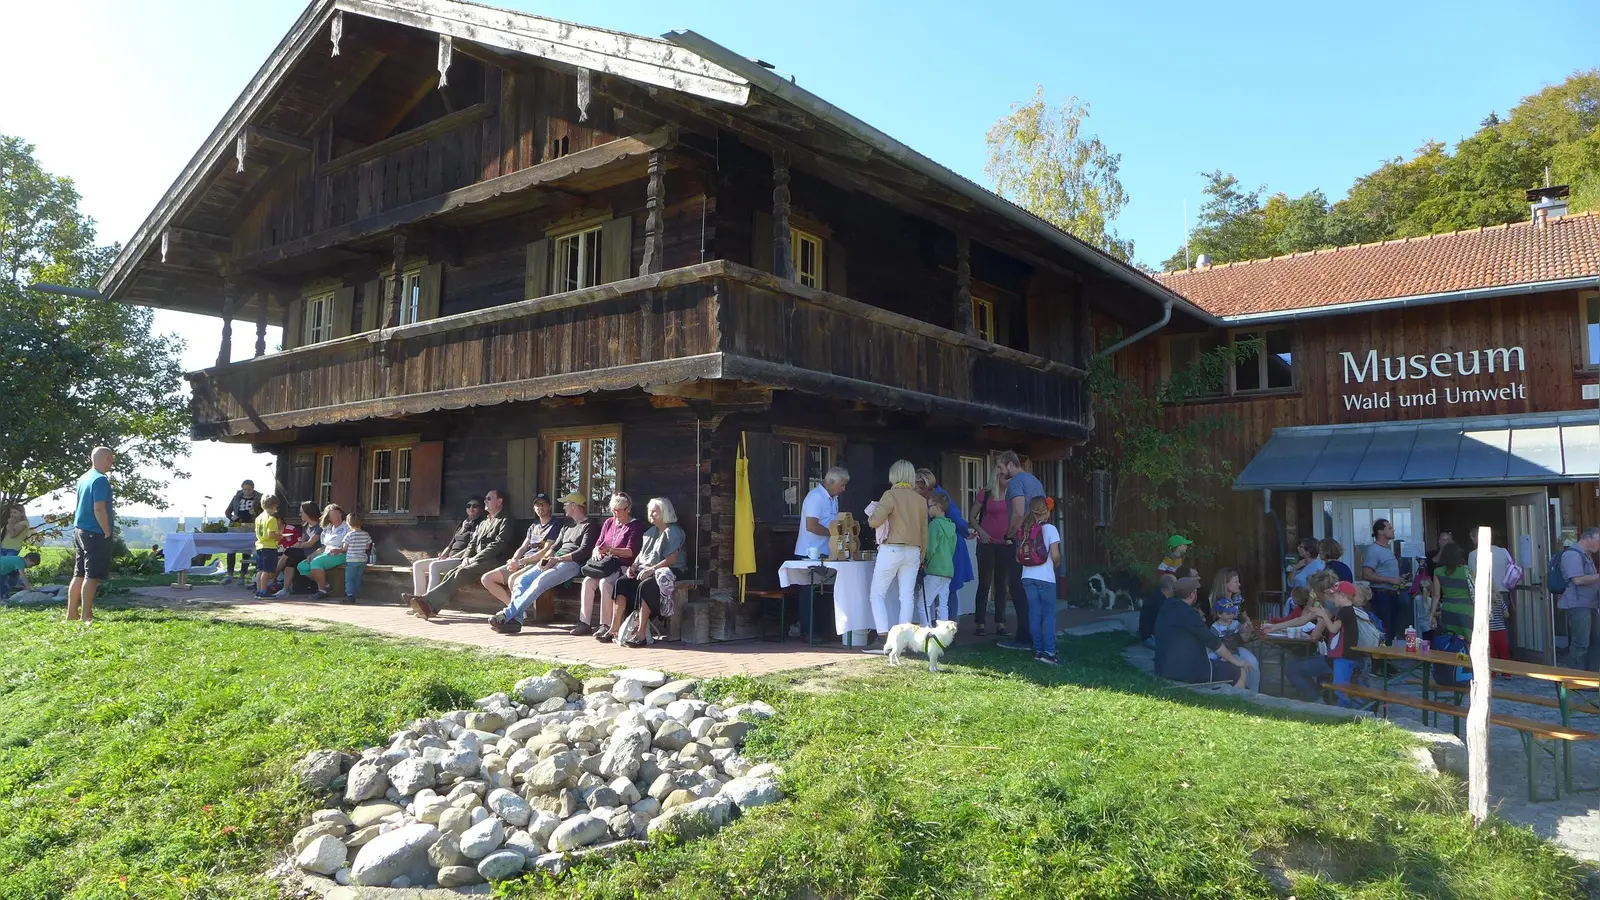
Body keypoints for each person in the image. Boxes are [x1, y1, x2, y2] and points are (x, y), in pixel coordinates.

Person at [491, 493, 600, 634]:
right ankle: (516, 621)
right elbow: (554, 547)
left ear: (574, 506)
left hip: (572, 564)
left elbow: (583, 552)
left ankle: (507, 614)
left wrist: (557, 559)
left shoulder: (589, 525)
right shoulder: (568, 526)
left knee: (540, 581)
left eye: (566, 504)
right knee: (521, 580)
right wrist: (546, 559)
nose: (563, 507)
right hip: (555, 560)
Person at [407, 489, 516, 619]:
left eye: (489, 498)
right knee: (453, 572)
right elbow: (473, 543)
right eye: (485, 498)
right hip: (477, 560)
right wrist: (467, 557)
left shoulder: (505, 520)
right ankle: (431, 607)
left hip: (494, 561)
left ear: (499, 501)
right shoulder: (484, 522)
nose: (485, 501)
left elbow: (498, 544)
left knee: (461, 572)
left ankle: (427, 602)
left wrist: (475, 558)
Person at [864, 459, 928, 651]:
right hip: (914, 551)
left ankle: (883, 637)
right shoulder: (920, 500)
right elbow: (925, 530)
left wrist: (871, 513)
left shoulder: (890, 495)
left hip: (891, 549)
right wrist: (922, 555)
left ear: (894, 475)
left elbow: (875, 521)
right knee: (906, 597)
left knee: (877, 594)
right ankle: (903, 640)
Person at [606, 497, 685, 648]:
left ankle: (641, 633)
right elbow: (641, 554)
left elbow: (672, 558)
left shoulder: (673, 531)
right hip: (647, 569)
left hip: (669, 570)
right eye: (650, 511)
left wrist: (651, 570)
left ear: (665, 512)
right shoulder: (650, 532)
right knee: (622, 582)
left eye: (655, 511)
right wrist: (633, 567)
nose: (651, 514)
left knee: (646, 586)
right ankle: (614, 628)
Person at [1154, 576, 1252, 689]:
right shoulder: (1189, 614)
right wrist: (1237, 661)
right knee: (1239, 671)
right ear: (1192, 594)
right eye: (1196, 591)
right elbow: (1213, 642)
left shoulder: (1165, 607)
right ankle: (1236, 702)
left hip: (1163, 667)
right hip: (1187, 671)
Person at [995, 450, 1044, 650]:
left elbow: (1018, 511)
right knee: (1032, 591)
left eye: (1000, 467)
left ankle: (1024, 636)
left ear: (1009, 464)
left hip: (1021, 543)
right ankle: (1036, 635)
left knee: (1017, 588)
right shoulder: (1035, 481)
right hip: (1038, 542)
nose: (999, 471)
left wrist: (1009, 534)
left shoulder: (1016, 482)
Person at [1285, 580, 1362, 703]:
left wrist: (1323, 615)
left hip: (1344, 656)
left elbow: (1332, 628)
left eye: (1335, 595)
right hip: (1341, 656)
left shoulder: (1346, 611)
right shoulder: (1345, 611)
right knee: (1340, 687)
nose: (1333, 598)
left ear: (1343, 596)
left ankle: (1348, 712)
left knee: (1340, 688)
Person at [482, 493, 564, 605]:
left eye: (543, 504)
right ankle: (512, 607)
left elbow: (546, 551)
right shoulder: (533, 526)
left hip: (538, 562)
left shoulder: (556, 524)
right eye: (537, 505)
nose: (540, 507)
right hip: (523, 561)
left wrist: (521, 562)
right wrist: (514, 560)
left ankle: (516, 613)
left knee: (514, 579)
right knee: (487, 579)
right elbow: (523, 547)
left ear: (549, 506)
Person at [914, 468, 974, 621]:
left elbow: (956, 518)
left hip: (945, 548)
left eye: (918, 489)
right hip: (947, 546)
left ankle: (945, 628)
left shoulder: (939, 499)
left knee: (948, 592)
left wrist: (967, 532)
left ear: (925, 487)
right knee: (945, 593)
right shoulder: (935, 499)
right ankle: (945, 629)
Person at [583, 493, 645, 639]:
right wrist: (596, 550)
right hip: (604, 565)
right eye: (613, 510)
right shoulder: (609, 522)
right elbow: (599, 543)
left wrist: (610, 550)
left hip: (622, 566)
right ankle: (583, 622)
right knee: (587, 582)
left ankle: (605, 625)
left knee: (605, 583)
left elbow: (630, 552)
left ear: (628, 508)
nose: (615, 514)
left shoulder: (635, 526)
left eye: (618, 510)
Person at [69, 446, 115, 626]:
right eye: (110, 459)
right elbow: (99, 508)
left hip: (79, 530)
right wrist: (107, 530)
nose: (111, 462)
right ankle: (86, 615)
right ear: (104, 459)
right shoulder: (100, 480)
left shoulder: (84, 478)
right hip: (94, 532)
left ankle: (71, 612)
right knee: (91, 575)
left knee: (78, 573)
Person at [1017, 495, 1062, 665]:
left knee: (1034, 613)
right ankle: (1049, 652)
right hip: (1045, 578)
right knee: (1049, 614)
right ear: (1047, 511)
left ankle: (1038, 650)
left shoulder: (1026, 528)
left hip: (1027, 576)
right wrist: (1056, 564)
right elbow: (1055, 555)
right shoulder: (1050, 529)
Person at [413, 497, 484, 596]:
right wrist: (443, 555)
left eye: (475, 506)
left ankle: (429, 599)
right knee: (418, 564)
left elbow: (472, 547)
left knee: (434, 566)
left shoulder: (480, 524)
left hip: (462, 560)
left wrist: (454, 557)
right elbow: (451, 544)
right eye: (468, 506)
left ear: (480, 509)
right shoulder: (462, 524)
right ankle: (418, 598)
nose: (471, 508)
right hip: (449, 558)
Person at [970, 468, 1011, 636]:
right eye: (1006, 477)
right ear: (997, 476)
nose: (1009, 480)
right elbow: (972, 517)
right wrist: (982, 532)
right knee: (985, 583)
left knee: (1002, 584)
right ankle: (980, 623)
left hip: (1005, 544)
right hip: (986, 544)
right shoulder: (985, 494)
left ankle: (1000, 623)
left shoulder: (1012, 495)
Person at [1558, 527, 1600, 670]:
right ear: (1588, 539)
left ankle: (1593, 677)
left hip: (1590, 604)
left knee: (1596, 641)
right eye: (1598, 541)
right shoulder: (1572, 555)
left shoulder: (1586, 555)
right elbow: (1577, 580)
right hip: (1578, 605)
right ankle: (1576, 679)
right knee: (1581, 643)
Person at [1362, 519, 1408, 644]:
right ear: (1380, 531)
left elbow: (1384, 572)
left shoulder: (1387, 550)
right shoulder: (1374, 550)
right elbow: (1366, 574)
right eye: (1390, 527)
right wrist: (1391, 579)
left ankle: (1387, 660)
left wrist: (1399, 578)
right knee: (1384, 629)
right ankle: (1380, 661)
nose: (1393, 530)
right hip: (1381, 595)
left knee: (1392, 630)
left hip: (1392, 595)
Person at [296, 504, 350, 600]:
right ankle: (326, 585)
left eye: (338, 514)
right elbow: (323, 546)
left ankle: (322, 590)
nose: (336, 518)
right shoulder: (327, 529)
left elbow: (350, 544)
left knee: (316, 563)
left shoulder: (347, 527)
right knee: (302, 566)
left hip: (341, 553)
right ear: (328, 518)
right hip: (326, 552)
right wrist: (313, 554)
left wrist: (340, 550)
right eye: (333, 515)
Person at [1209, 595, 1259, 693]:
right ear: (1219, 614)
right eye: (1228, 613)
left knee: (1246, 665)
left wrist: (1246, 631)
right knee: (1210, 659)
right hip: (1218, 651)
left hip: (1233, 651)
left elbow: (1242, 639)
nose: (1231, 616)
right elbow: (1213, 643)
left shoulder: (1236, 624)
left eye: (1233, 613)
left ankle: (1250, 690)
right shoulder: (1215, 627)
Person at [796, 467, 848, 558]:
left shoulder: (834, 498)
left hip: (826, 552)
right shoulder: (816, 497)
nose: (844, 489)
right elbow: (811, 526)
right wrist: (835, 533)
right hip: (810, 554)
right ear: (831, 482)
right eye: (842, 485)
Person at [271, 502, 320, 598]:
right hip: (304, 551)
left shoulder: (319, 527)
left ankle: (273, 578)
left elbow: (310, 543)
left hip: (313, 553)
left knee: (289, 551)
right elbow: (302, 540)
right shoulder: (305, 526)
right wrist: (297, 545)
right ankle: (284, 588)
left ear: (308, 513)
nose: (300, 514)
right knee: (290, 557)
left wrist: (298, 545)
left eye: (302, 512)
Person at [922, 492, 957, 624]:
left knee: (923, 603)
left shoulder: (934, 525)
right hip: (948, 570)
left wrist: (925, 560)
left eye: (929, 506)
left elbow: (930, 548)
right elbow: (952, 548)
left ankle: (925, 633)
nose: (928, 509)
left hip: (934, 570)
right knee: (943, 604)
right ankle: (943, 635)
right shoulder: (951, 526)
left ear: (937, 507)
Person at [1429, 542, 1474, 640]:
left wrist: (1431, 615)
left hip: (1448, 609)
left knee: (1451, 639)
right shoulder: (1467, 570)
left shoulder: (1438, 571)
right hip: (1466, 610)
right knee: (1469, 640)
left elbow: (1436, 595)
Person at [223, 479, 263, 586]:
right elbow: (227, 511)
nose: (246, 492)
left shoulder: (259, 498)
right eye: (244, 489)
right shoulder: (237, 497)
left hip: (250, 524)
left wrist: (255, 512)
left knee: (246, 550)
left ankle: (242, 575)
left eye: (249, 489)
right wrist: (232, 517)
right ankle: (230, 574)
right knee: (231, 549)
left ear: (253, 489)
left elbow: (263, 512)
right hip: (236, 524)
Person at [252, 495, 283, 598]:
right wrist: (279, 537)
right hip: (269, 546)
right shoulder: (271, 519)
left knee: (260, 570)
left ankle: (259, 590)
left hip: (260, 545)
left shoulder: (259, 518)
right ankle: (264, 591)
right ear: (274, 506)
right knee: (267, 570)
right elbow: (271, 534)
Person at [341, 513, 373, 604]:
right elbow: (367, 547)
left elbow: (344, 548)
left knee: (350, 578)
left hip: (351, 560)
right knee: (358, 577)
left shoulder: (349, 535)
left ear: (348, 523)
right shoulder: (365, 534)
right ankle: (356, 593)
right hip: (362, 560)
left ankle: (349, 595)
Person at [1139, 573, 1177, 646]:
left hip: (1149, 636)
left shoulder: (1158, 597)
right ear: (1170, 586)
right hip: (1152, 638)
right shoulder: (1160, 602)